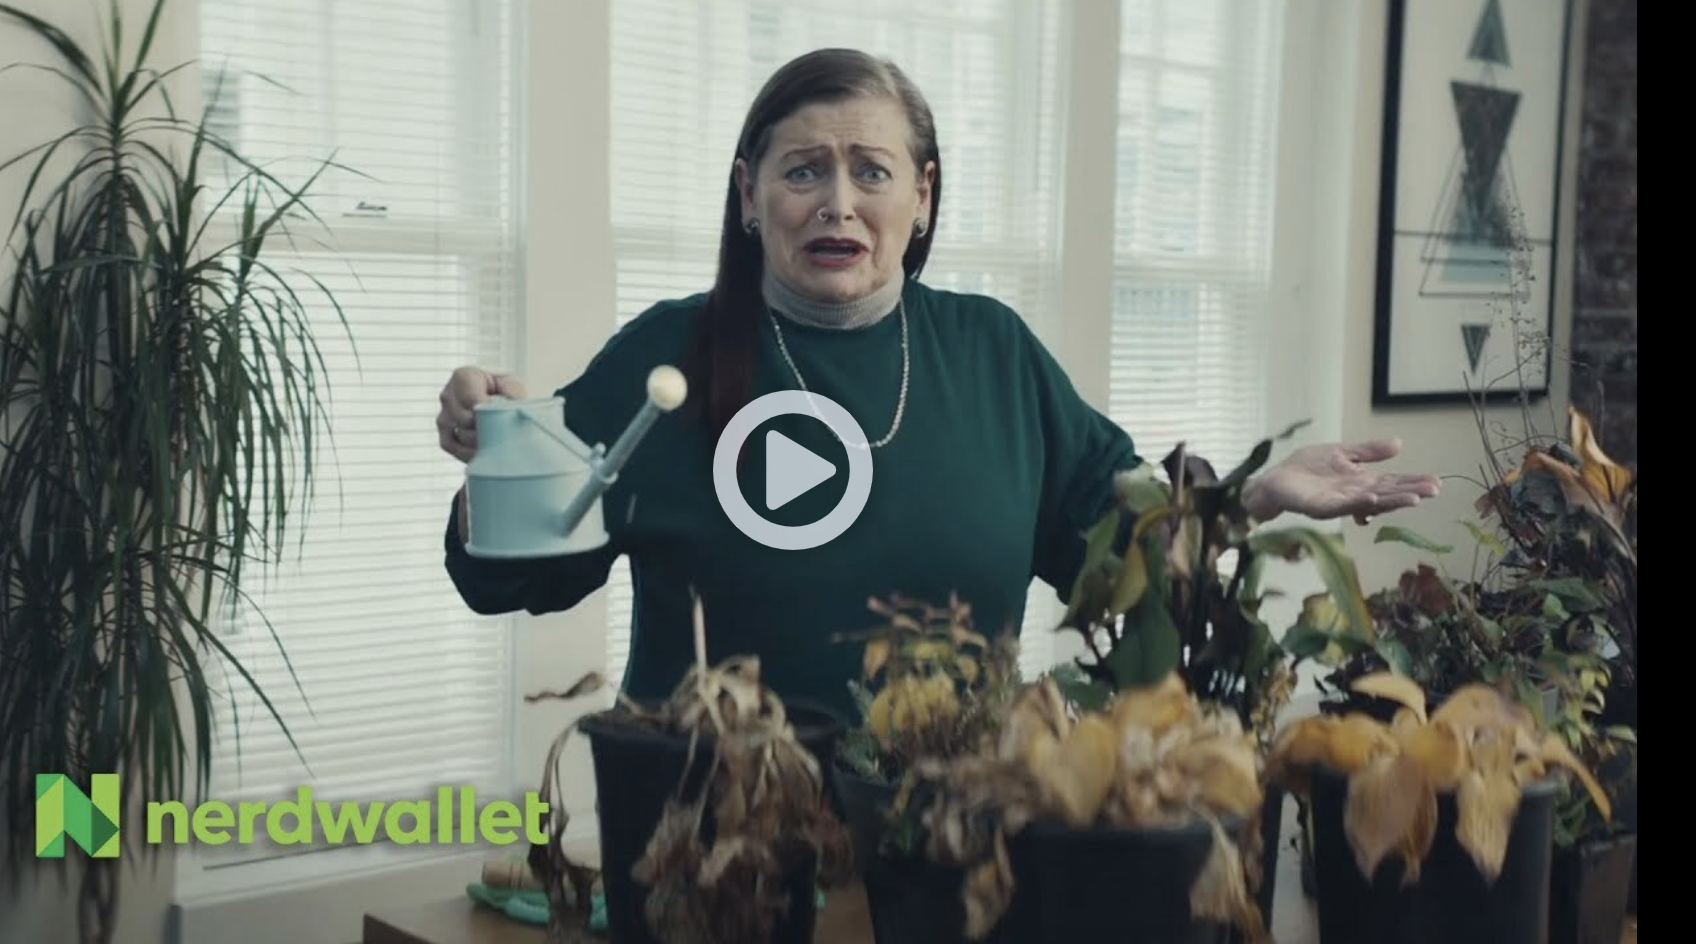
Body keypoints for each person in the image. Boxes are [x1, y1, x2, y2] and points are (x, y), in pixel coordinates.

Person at [434, 48, 1440, 724]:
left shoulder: (994, 355)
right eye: (802, 171)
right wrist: (496, 447)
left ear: (923, 196)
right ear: (749, 195)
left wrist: (1256, 492)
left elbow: (1122, 535)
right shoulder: (668, 356)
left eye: (872, 171)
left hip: (946, 839)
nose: (837, 202)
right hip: (712, 846)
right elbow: (505, 576)